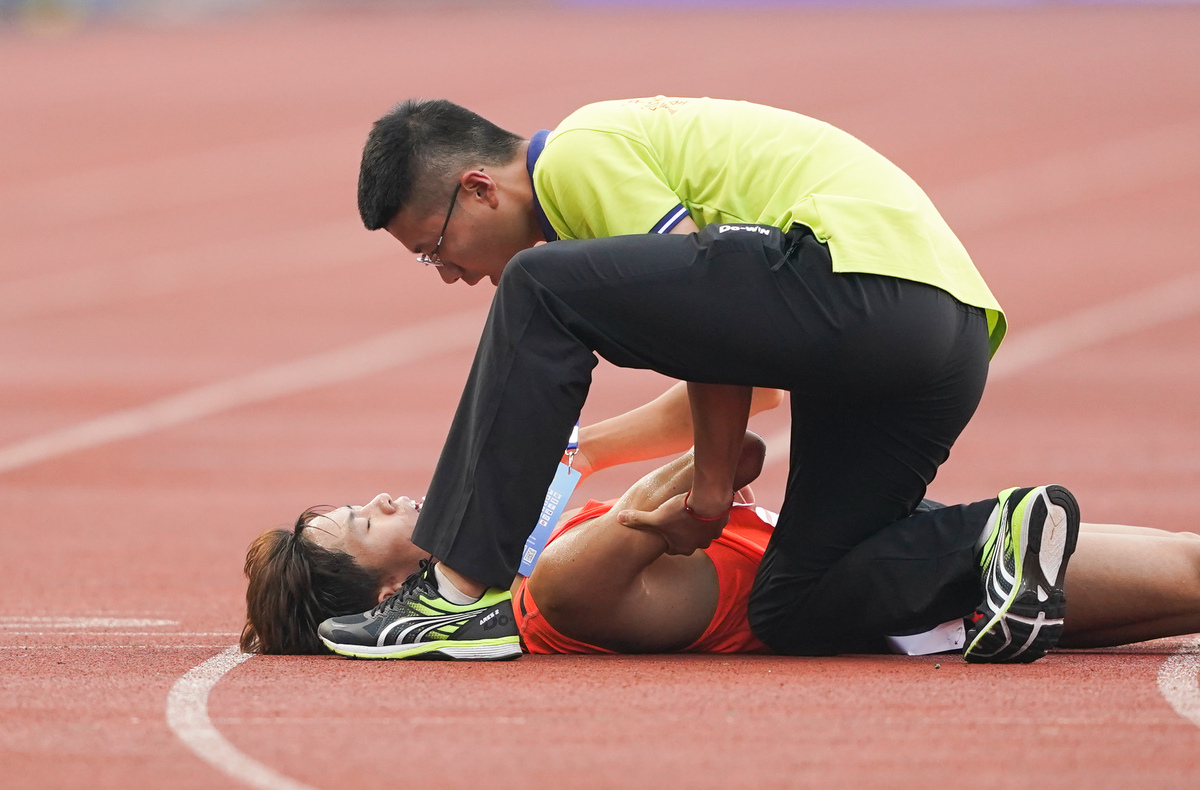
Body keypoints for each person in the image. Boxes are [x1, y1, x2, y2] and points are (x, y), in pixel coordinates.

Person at [327, 95, 1068, 663]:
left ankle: (455, 594)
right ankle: (998, 535)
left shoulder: (576, 157)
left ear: (481, 188)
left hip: (865, 282)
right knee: (793, 603)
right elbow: (748, 364)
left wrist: (712, 485)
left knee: (537, 286)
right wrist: (587, 452)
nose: (450, 276)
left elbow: (711, 327)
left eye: (434, 248)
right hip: (936, 341)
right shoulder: (594, 214)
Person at [240, 426, 1200, 659]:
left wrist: (578, 445)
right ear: (392, 596)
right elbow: (720, 463)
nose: (383, 494)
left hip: (904, 559)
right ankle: (1007, 535)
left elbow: (727, 438)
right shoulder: (552, 594)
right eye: (372, 523)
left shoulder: (547, 558)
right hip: (927, 600)